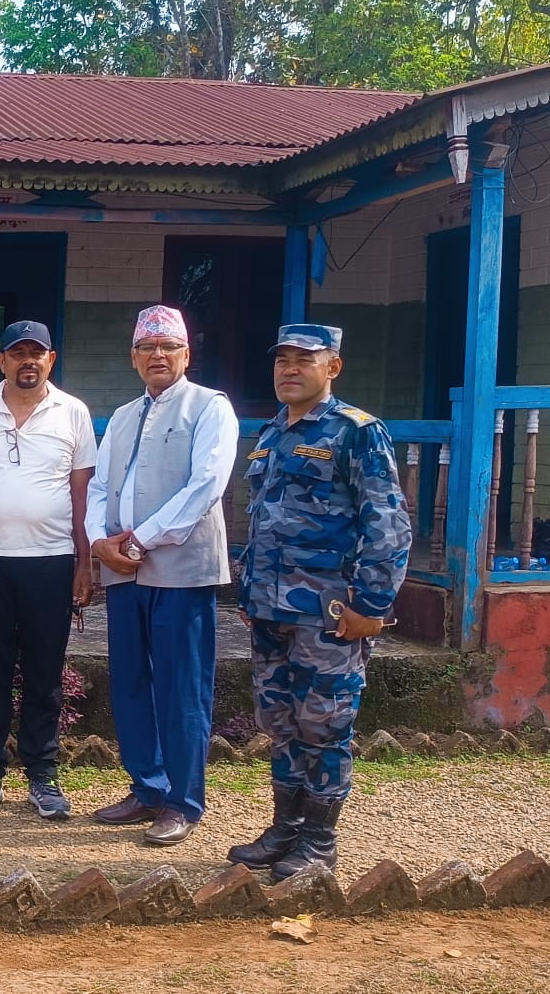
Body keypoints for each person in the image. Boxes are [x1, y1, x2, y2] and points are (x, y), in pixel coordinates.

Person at [227, 324, 410, 881]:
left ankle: (320, 843)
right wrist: (248, 589)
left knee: (325, 723)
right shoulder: (273, 432)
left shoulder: (358, 432)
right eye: (282, 359)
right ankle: (285, 830)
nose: (289, 369)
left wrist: (372, 605)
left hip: (330, 612)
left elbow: (388, 524)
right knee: (280, 721)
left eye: (304, 360)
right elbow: (261, 521)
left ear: (332, 368)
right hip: (270, 609)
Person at [84, 306, 238, 847]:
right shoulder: (124, 416)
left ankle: (183, 800)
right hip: (124, 570)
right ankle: (147, 785)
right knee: (130, 682)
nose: (157, 356)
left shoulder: (210, 409)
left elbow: (205, 485)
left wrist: (140, 539)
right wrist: (99, 541)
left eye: (168, 347)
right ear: (133, 358)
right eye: (147, 348)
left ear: (186, 354)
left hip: (179, 568)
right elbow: (100, 487)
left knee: (181, 687)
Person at [0, 319, 96, 821]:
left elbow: (82, 496)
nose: (28, 361)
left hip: (51, 562)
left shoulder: (73, 413)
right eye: (17, 353)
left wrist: (83, 562)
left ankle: (43, 775)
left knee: (44, 672)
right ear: (2, 361)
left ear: (51, 360)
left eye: (38, 353)